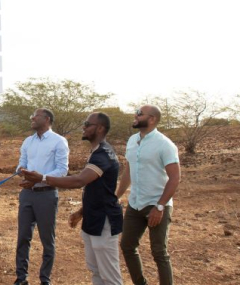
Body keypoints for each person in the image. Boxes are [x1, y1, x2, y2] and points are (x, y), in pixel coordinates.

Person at [21, 112, 123, 285]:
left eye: (87, 124)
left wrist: (42, 178)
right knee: (96, 271)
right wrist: (81, 212)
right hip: (92, 218)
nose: (83, 127)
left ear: (99, 128)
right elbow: (97, 190)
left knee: (110, 276)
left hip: (104, 220)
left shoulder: (104, 154)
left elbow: (79, 180)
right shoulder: (96, 153)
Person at [116, 105, 180, 285]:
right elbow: (128, 171)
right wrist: (117, 196)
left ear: (151, 119)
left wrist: (160, 207)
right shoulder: (132, 140)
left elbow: (175, 178)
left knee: (159, 252)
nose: (135, 116)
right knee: (127, 246)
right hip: (135, 203)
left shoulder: (165, 144)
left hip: (157, 204)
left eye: (139, 114)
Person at [14, 108, 69, 285]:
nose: (32, 117)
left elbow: (62, 170)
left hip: (46, 195)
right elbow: (21, 164)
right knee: (23, 237)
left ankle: (45, 279)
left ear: (47, 119)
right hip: (27, 194)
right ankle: (21, 278)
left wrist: (39, 179)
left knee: (47, 239)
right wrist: (23, 173)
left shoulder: (59, 141)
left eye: (35, 115)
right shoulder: (28, 141)